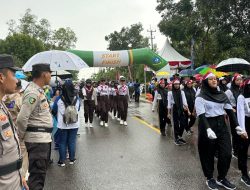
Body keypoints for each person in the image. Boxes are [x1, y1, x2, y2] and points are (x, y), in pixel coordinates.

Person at [195, 72, 241, 190]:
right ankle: (210, 178)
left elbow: (230, 112)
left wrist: (237, 126)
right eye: (211, 79)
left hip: (222, 125)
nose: (214, 81)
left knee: (226, 153)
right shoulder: (200, 97)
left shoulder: (222, 95)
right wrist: (208, 129)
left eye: (215, 79)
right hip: (207, 125)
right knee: (208, 153)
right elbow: (202, 116)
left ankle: (221, 178)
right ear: (205, 82)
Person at [17, 63, 53, 190]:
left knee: (39, 176)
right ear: (44, 74)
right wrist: (20, 138)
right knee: (37, 179)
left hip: (42, 140)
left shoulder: (39, 90)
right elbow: (22, 118)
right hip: (37, 141)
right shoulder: (33, 92)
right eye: (50, 73)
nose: (51, 75)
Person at [0, 54, 28, 190]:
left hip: (14, 180)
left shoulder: (2, 105)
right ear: (1, 77)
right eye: (14, 74)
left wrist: (20, 175)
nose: (17, 80)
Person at [4, 79, 29, 185]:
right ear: (20, 88)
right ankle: (22, 177)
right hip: (19, 132)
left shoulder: (5, 99)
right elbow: (24, 117)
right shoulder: (20, 99)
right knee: (22, 154)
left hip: (7, 132)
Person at [52, 81, 80, 167]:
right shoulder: (76, 98)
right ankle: (72, 159)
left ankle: (62, 161)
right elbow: (78, 109)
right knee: (72, 141)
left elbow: (54, 110)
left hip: (62, 124)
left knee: (62, 142)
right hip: (74, 124)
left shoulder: (59, 99)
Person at [236, 79, 250, 187]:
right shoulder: (241, 97)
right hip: (245, 123)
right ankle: (244, 174)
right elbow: (240, 114)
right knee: (243, 150)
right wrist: (242, 130)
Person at [225, 73, 243, 158]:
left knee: (241, 130)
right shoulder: (229, 91)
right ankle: (234, 150)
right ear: (234, 81)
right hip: (233, 113)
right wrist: (230, 108)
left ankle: (240, 149)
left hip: (240, 112)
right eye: (237, 80)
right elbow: (224, 100)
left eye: (240, 79)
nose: (240, 81)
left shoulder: (241, 90)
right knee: (235, 131)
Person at [168, 79, 190, 145]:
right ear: (173, 85)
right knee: (176, 124)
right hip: (174, 108)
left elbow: (185, 101)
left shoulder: (182, 92)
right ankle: (176, 139)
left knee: (183, 123)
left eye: (178, 84)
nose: (177, 85)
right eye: (175, 84)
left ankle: (179, 136)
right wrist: (168, 113)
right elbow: (169, 103)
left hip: (181, 108)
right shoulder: (170, 93)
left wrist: (188, 110)